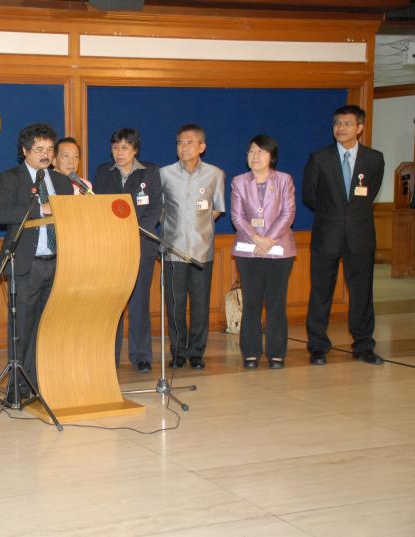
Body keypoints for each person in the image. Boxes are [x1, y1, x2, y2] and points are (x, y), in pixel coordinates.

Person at [0, 123, 73, 395]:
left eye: (50, 149)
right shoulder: (10, 178)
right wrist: (42, 208)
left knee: (47, 329)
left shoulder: (62, 182)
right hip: (26, 265)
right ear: (25, 151)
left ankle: (42, 384)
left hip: (58, 264)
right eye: (39, 149)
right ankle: (17, 387)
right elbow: (3, 213)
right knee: (23, 329)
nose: (46, 154)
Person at [302, 104, 385, 366]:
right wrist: (334, 215)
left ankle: (364, 346)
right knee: (321, 292)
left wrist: (350, 216)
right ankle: (317, 346)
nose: (340, 128)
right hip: (327, 233)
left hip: (360, 235)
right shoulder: (319, 158)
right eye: (337, 123)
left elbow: (369, 194)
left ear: (359, 128)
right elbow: (309, 196)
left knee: (362, 293)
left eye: (347, 124)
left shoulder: (374, 159)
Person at [94, 128, 162, 372]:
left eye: (124, 148)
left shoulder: (150, 171)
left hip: (142, 244)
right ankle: (109, 356)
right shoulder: (103, 172)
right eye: (115, 148)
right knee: (114, 302)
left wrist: (134, 231)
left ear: (135, 150)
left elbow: (155, 208)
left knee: (139, 301)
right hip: (113, 246)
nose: (119, 153)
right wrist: (117, 233)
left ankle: (141, 355)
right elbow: (99, 207)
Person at [159, 124, 225, 370]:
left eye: (189, 142)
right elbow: (160, 209)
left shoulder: (215, 174)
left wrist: (200, 227)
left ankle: (197, 352)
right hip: (173, 250)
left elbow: (217, 208)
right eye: (180, 143)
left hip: (201, 250)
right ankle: (178, 351)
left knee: (199, 305)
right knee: (175, 305)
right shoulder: (164, 174)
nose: (183, 147)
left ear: (202, 147)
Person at [231, 135, 297, 369]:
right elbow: (237, 216)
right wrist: (256, 239)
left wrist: (268, 240)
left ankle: (276, 352)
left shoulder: (284, 180)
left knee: (276, 302)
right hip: (248, 250)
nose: (255, 156)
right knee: (251, 302)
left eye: (261, 151)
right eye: (251, 151)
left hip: (279, 249)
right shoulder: (239, 181)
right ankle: (250, 352)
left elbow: (288, 213)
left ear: (272, 156)